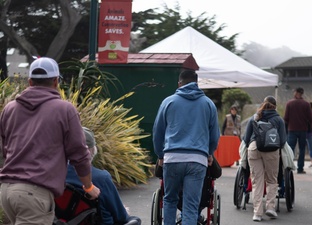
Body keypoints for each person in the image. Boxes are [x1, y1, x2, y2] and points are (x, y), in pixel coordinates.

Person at [0, 57, 100, 225]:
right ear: (56, 81)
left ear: (30, 81)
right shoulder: (65, 110)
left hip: (7, 191)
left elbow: (3, 150)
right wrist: (89, 187)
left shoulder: (10, 108)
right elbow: (79, 154)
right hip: (34, 193)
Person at [152, 70, 220, 225]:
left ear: (179, 83)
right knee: (190, 207)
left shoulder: (168, 102)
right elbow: (215, 135)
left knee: (169, 200)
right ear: (197, 83)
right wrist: (209, 154)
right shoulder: (208, 104)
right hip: (197, 160)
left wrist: (160, 155)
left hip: (172, 158)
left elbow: (158, 132)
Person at [67, 127, 141, 225]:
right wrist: (124, 211)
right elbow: (120, 216)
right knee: (134, 220)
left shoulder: (55, 176)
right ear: (89, 150)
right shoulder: (101, 178)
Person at [242, 96, 286, 222]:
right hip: (271, 150)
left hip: (254, 148)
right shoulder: (278, 120)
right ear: (275, 106)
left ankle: (257, 213)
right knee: (272, 179)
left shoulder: (255, 117)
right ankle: (270, 208)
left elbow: (246, 139)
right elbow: (282, 141)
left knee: (257, 182)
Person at [283, 87, 312, 174]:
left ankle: (289, 166)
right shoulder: (306, 104)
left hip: (292, 129)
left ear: (296, 92)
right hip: (303, 130)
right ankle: (300, 168)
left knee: (290, 148)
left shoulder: (289, 103)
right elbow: (310, 118)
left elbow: (286, 118)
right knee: (302, 149)